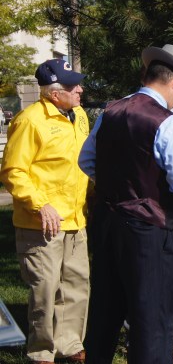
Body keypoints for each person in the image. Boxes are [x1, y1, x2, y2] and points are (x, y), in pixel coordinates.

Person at [79, 44, 173, 363]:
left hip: (106, 222)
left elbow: (86, 160)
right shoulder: (168, 123)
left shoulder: (111, 112)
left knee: (105, 311)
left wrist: (117, 185)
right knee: (152, 317)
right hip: (148, 228)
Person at [0, 59, 89, 363]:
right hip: (41, 224)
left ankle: (70, 347)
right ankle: (41, 354)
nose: (80, 89)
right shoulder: (29, 121)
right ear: (54, 93)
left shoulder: (78, 116)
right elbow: (13, 172)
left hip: (76, 220)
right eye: (72, 86)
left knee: (76, 287)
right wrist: (41, 205)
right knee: (45, 292)